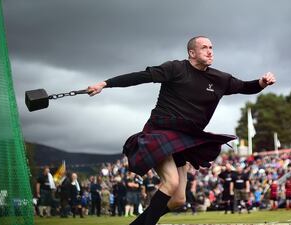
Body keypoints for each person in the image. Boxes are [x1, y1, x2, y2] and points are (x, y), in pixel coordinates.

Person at [87, 36, 275, 225]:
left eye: (211, 47)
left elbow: (245, 86)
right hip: (160, 133)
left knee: (178, 200)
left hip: (183, 140)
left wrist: (261, 82)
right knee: (171, 182)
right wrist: (105, 83)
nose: (210, 51)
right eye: (204, 48)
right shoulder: (175, 69)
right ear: (192, 53)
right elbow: (141, 77)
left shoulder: (219, 79)